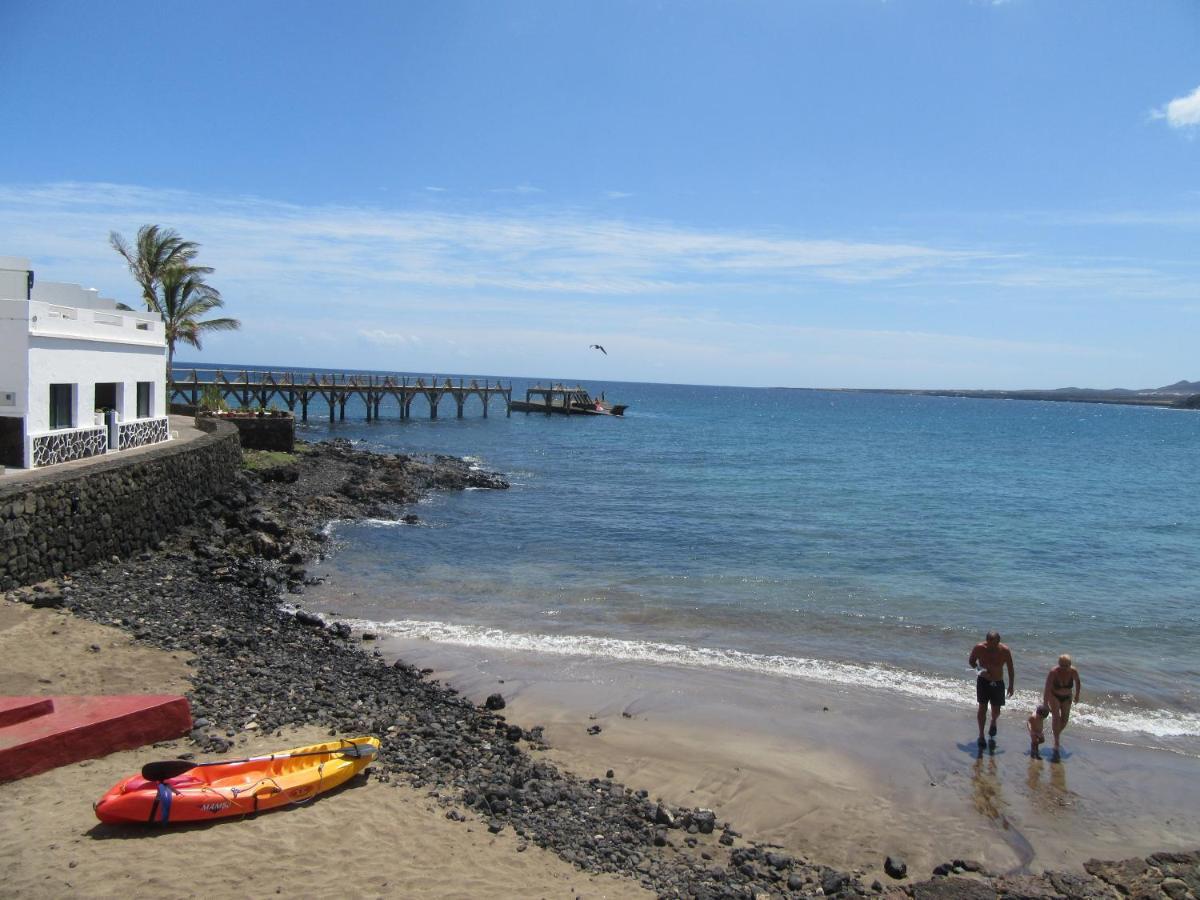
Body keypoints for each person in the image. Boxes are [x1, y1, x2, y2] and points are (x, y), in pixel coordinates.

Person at [969, 630, 1015, 747]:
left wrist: (1011, 685)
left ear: (999, 642)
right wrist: (981, 672)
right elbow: (971, 662)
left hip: (998, 682)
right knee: (982, 707)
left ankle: (993, 722)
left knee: (996, 711)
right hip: (983, 681)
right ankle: (981, 735)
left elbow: (1010, 668)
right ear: (986, 641)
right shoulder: (979, 648)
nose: (991, 647)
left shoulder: (1005, 651)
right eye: (989, 643)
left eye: (994, 644)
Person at [1043, 653, 1081, 760]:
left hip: (1067, 697)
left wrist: (1077, 695)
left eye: (1066, 666)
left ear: (1070, 664)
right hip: (1054, 696)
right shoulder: (1053, 672)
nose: (1064, 668)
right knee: (1056, 717)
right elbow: (1047, 688)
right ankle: (1056, 742)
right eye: (1061, 665)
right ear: (1058, 664)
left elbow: (1078, 682)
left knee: (1065, 719)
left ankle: (1056, 733)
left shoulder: (1073, 671)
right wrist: (1045, 703)